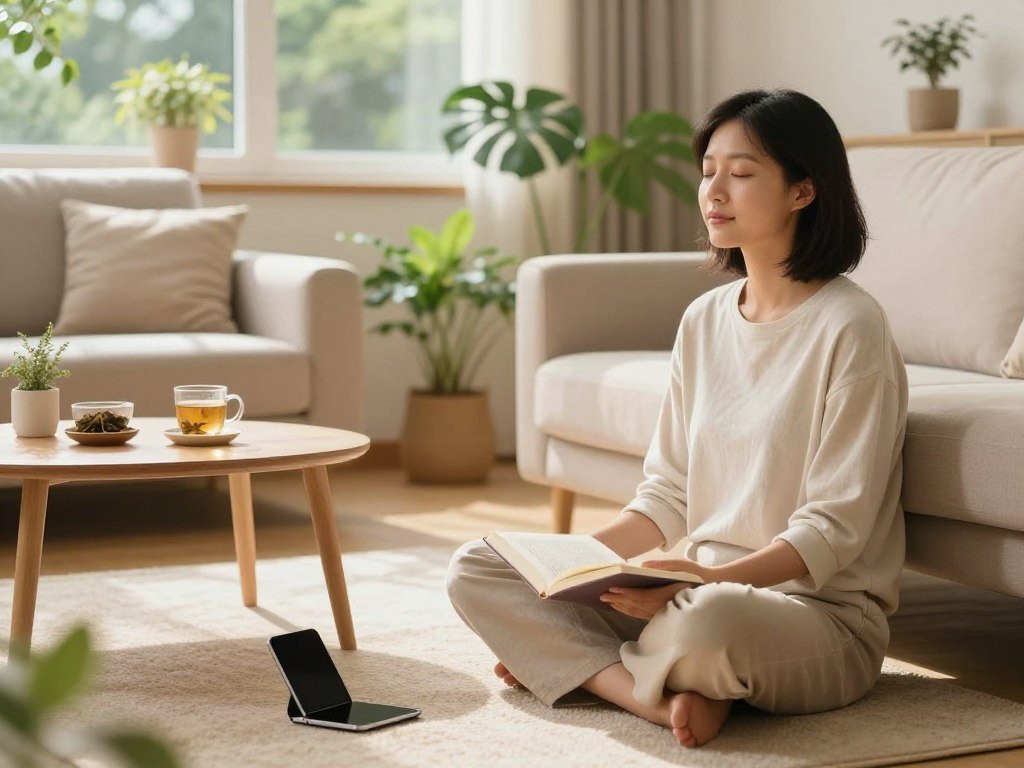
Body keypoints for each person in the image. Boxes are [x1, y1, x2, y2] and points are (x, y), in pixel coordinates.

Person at [446, 88, 909, 749]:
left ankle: (578, 669)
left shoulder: (851, 327)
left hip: (810, 618)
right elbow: (666, 498)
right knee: (480, 566)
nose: (714, 190)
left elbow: (831, 533)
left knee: (705, 624)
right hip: (683, 587)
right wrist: (568, 570)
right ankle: (649, 696)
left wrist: (701, 581)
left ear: (803, 191)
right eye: (708, 170)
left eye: (742, 173)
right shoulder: (705, 320)